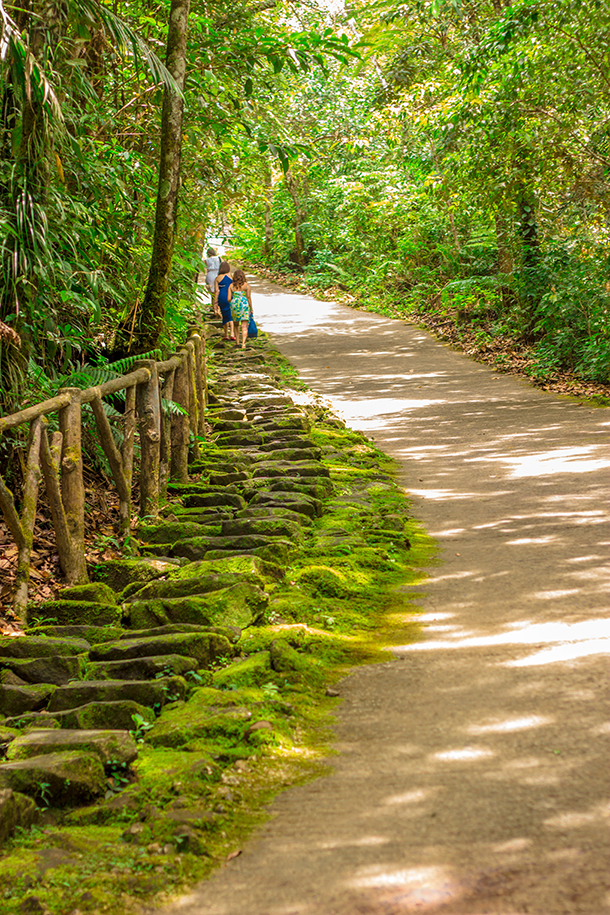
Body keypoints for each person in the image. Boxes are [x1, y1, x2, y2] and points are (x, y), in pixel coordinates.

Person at [228, 269, 253, 349]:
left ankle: (237, 342)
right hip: (244, 304)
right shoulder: (247, 285)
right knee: (244, 326)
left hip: (235, 304)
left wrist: (232, 303)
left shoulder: (231, 286)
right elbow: (248, 297)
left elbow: (228, 298)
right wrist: (251, 308)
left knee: (236, 324)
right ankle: (243, 344)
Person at [213, 261, 235, 341]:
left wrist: (215, 302)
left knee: (225, 314)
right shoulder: (232, 277)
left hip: (222, 297)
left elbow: (216, 291)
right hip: (231, 296)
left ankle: (226, 334)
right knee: (231, 315)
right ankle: (232, 333)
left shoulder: (218, 278)